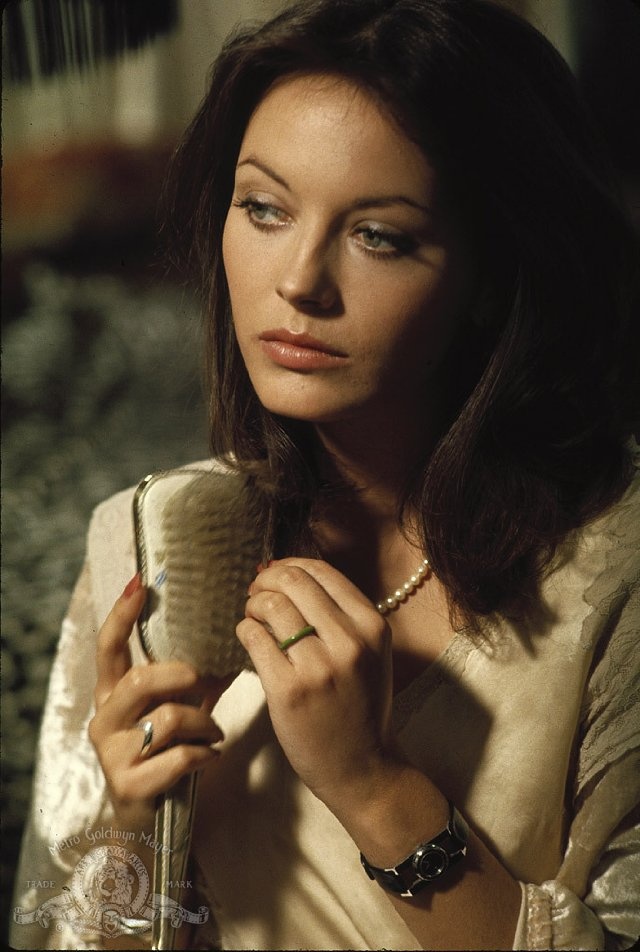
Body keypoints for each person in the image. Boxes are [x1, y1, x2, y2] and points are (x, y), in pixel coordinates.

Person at [11, 0, 640, 949]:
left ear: (492, 276)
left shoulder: (611, 573)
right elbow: (69, 928)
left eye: (378, 236)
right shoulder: (144, 539)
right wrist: (132, 830)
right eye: (264, 208)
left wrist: (373, 787)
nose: (299, 280)